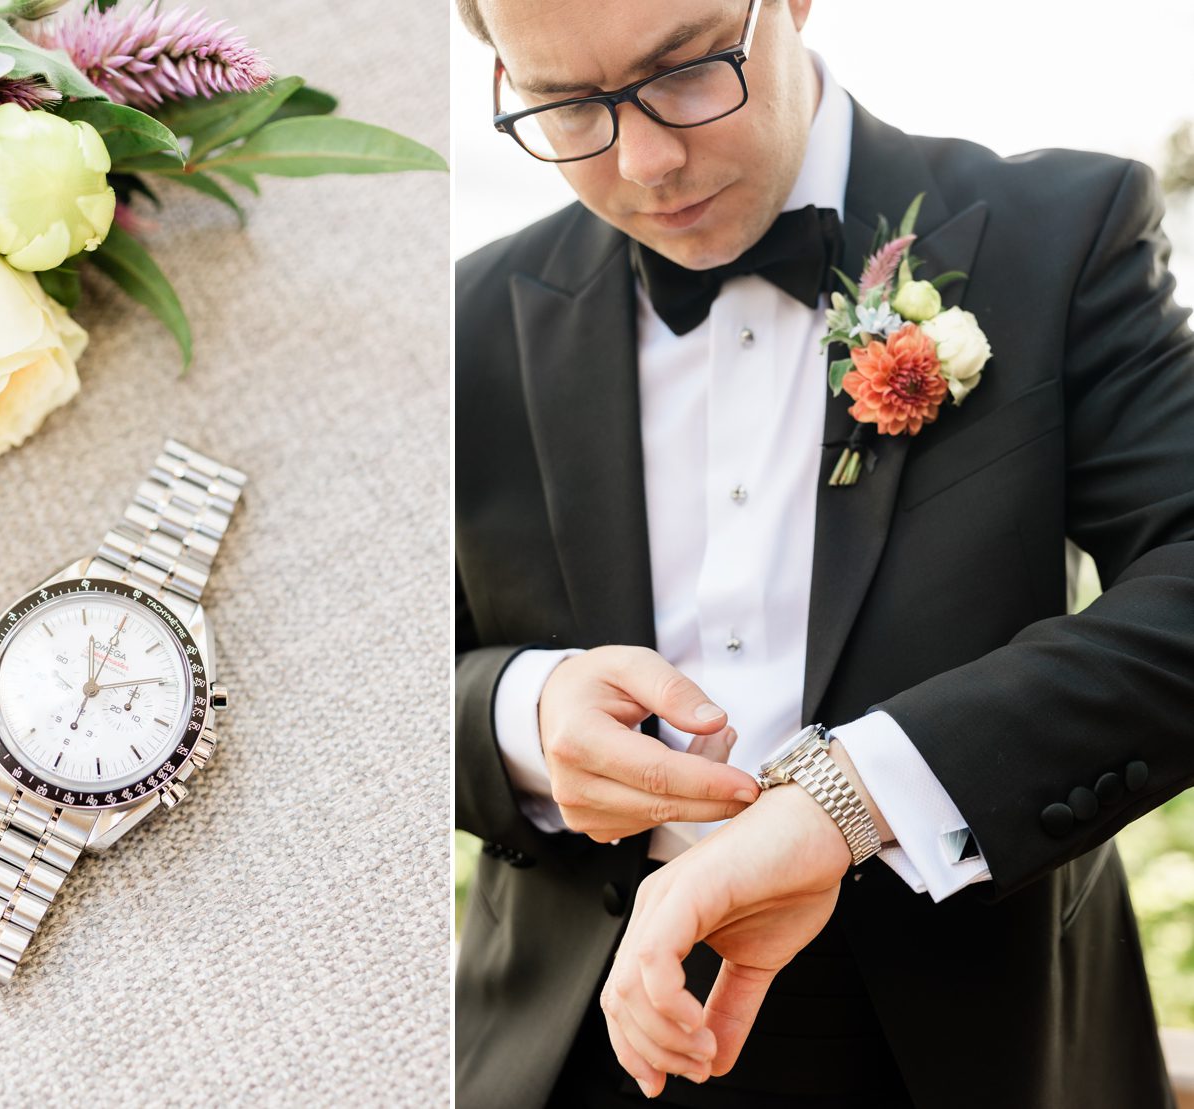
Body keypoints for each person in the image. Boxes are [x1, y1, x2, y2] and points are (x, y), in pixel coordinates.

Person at [453, 0, 1189, 1106]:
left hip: (967, 1033)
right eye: (565, 106)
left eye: (686, 68)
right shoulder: (465, 319)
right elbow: (371, 681)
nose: (645, 162)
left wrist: (856, 796)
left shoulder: (1066, 233)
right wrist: (523, 712)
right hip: (571, 1038)